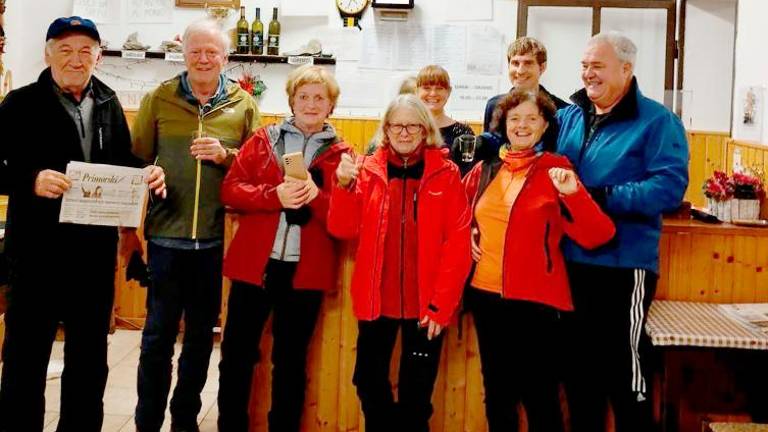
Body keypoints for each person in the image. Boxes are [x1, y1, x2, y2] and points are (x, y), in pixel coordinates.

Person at [0, 16, 165, 432]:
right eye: (66, 50)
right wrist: (30, 180)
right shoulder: (20, 103)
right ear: (48, 54)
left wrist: (147, 173)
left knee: (90, 361)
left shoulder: (108, 101)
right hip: (34, 254)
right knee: (25, 359)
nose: (76, 59)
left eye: (85, 50)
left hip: (92, 256)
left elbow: (122, 162)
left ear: (98, 55)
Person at [131, 19, 260, 432]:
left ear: (225, 57)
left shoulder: (243, 104)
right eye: (195, 51)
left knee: (201, 338)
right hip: (166, 238)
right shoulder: (159, 98)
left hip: (216, 240)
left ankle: (184, 420)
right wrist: (149, 173)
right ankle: (147, 420)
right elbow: (136, 160)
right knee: (157, 338)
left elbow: (259, 166)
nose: (203, 59)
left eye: (212, 52)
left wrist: (226, 155)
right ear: (183, 54)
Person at [556, 32, 689, 432]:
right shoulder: (569, 116)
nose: (587, 74)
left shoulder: (658, 121)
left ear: (626, 69)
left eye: (597, 66)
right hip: (571, 262)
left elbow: (668, 187)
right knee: (578, 377)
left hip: (623, 266)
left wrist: (603, 196)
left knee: (625, 375)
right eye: (584, 66)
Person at [462, 89, 614, 431]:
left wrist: (574, 194)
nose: (522, 125)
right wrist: (468, 232)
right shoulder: (485, 169)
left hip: (537, 303)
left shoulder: (556, 169)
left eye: (532, 118)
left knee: (540, 395)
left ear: (545, 125)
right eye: (515, 118)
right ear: (503, 124)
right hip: (486, 297)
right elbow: (455, 216)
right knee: (497, 394)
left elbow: (598, 234)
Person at [216, 64, 348, 432]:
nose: (311, 104)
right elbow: (230, 190)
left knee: (290, 363)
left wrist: (317, 197)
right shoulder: (263, 139)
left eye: (319, 98)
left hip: (304, 274)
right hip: (254, 268)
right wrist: (273, 195)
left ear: (331, 105)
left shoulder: (343, 155)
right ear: (291, 101)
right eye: (303, 96)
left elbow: (344, 220)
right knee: (236, 356)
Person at [329, 94, 472, 432]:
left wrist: (441, 305)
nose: (404, 133)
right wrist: (343, 186)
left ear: (426, 130)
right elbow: (342, 228)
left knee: (416, 397)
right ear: (386, 129)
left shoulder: (446, 173)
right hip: (375, 302)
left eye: (412, 126)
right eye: (397, 126)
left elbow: (458, 244)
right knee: (367, 381)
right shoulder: (367, 170)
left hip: (426, 306)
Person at [483, 37, 568, 151]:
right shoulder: (494, 105)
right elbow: (489, 151)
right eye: (515, 63)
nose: (520, 71)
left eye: (528, 63)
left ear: (542, 67)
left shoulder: (562, 110)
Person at [415, 65, 476, 175]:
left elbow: (469, 175)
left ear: (449, 91)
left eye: (439, 88)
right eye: (427, 88)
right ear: (416, 91)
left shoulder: (463, 133)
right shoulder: (408, 129)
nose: (433, 93)